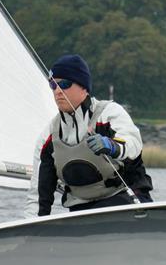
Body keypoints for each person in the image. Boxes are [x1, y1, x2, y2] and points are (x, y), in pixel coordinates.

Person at [25, 54, 153, 217]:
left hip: (125, 204)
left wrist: (112, 146)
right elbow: (38, 194)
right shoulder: (49, 136)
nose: (57, 91)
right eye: (53, 84)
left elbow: (133, 144)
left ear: (84, 88)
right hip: (83, 215)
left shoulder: (109, 113)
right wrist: (32, 231)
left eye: (64, 84)